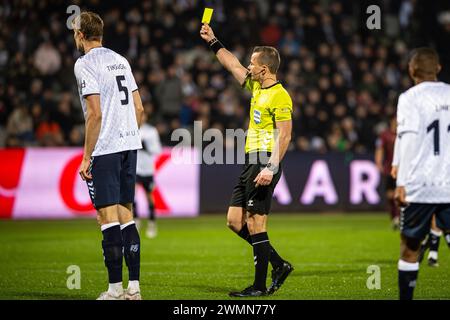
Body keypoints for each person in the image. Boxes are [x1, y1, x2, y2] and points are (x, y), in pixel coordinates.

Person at [200, 23, 294, 297]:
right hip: (250, 161)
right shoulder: (256, 86)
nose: (248, 66)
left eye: (252, 63)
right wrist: (213, 41)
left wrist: (270, 167)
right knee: (234, 221)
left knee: (255, 223)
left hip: (265, 161)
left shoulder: (280, 95)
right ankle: (279, 265)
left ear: (264, 69)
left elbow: (285, 136)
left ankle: (258, 287)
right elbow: (232, 64)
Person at [73, 12, 144, 300]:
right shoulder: (121, 59)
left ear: (80, 35)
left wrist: (86, 156)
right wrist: (127, 135)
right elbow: (139, 109)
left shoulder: (84, 64)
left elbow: (95, 113)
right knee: (127, 214)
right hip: (130, 145)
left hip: (106, 148)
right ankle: (134, 289)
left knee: (106, 217)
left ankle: (115, 289)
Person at [394, 47, 450, 300]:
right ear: (438, 68)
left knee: (410, 248)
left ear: (411, 70)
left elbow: (407, 138)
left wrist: (401, 182)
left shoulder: (410, 98)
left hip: (420, 184)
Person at [134, 111, 162, 238]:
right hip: (135, 169)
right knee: (132, 195)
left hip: (147, 169)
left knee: (149, 196)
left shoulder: (151, 131)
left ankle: (151, 222)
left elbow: (158, 150)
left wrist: (147, 147)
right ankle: (135, 221)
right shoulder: (131, 129)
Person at [375, 116, 400, 229]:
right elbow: (380, 149)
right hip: (388, 169)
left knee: (398, 194)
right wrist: (378, 163)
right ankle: (394, 217)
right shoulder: (385, 135)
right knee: (389, 195)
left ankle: (399, 217)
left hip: (402, 169)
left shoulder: (403, 133)